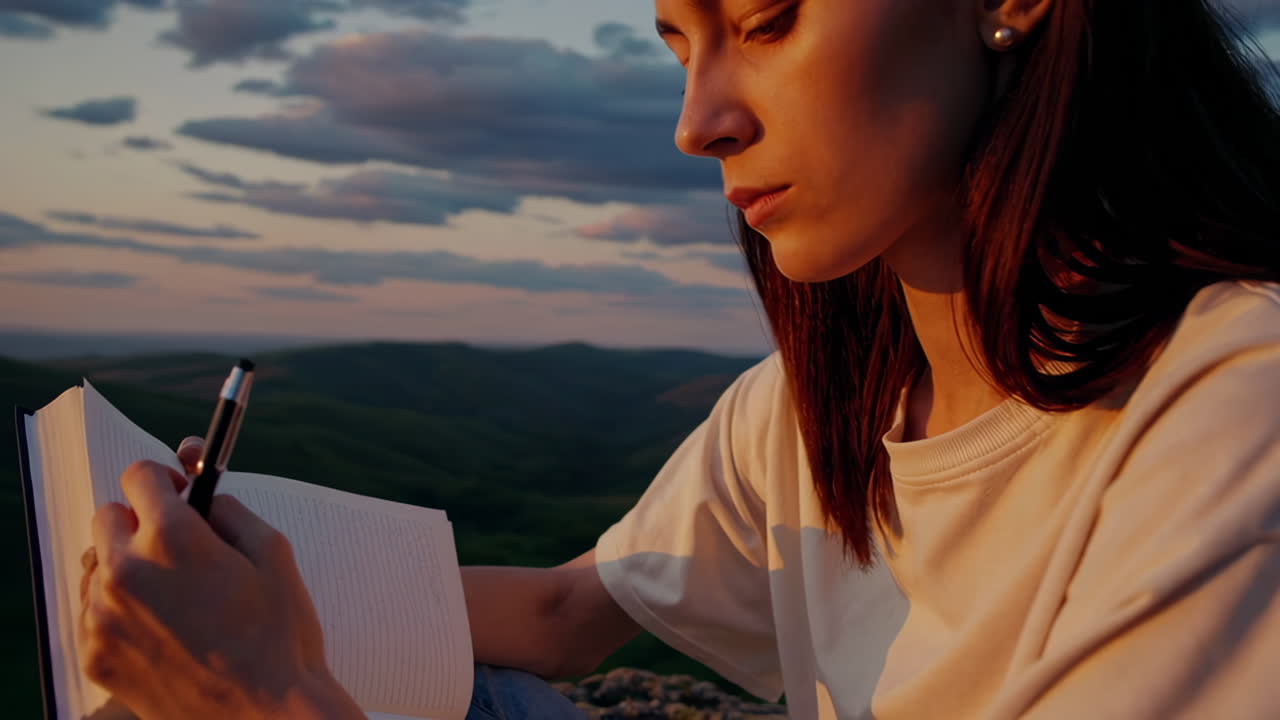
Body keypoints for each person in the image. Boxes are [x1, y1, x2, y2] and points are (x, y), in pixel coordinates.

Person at [77, 0, 1280, 717]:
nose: (698, 120)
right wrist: (240, 591)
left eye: (764, 21)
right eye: (675, 41)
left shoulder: (1230, 409)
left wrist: (260, 697)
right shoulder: (814, 405)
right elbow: (559, 614)